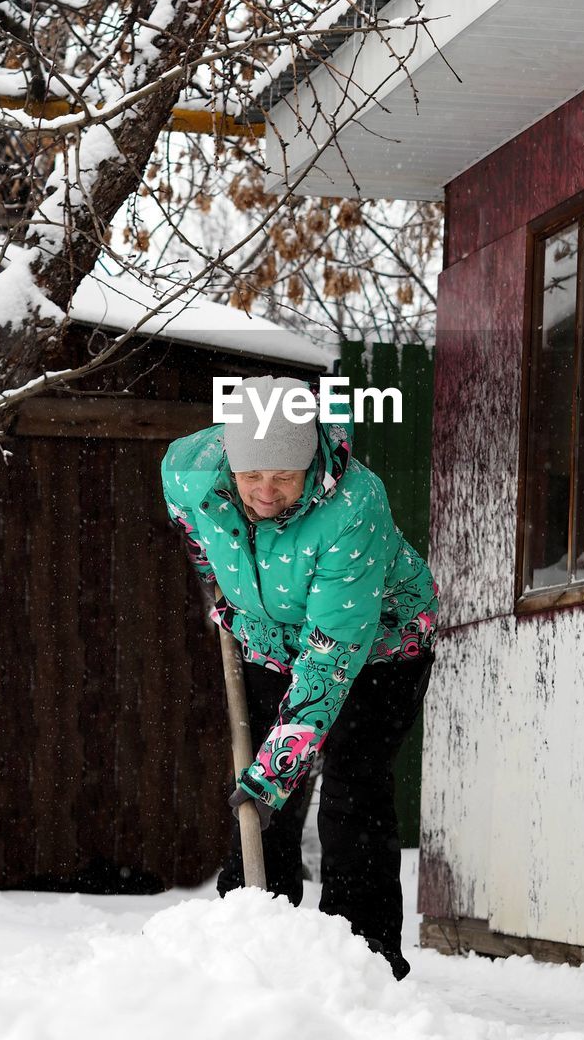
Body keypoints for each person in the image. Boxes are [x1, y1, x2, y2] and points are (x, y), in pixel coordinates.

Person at [161, 375, 437, 980]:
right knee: (261, 806)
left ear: (309, 463)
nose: (264, 492)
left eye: (282, 478)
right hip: (271, 640)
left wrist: (276, 770)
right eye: (251, 475)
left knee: (349, 792)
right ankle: (255, 952)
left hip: (379, 647)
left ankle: (360, 966)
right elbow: (197, 539)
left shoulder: (354, 505)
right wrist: (226, 593)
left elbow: (334, 649)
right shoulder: (187, 473)